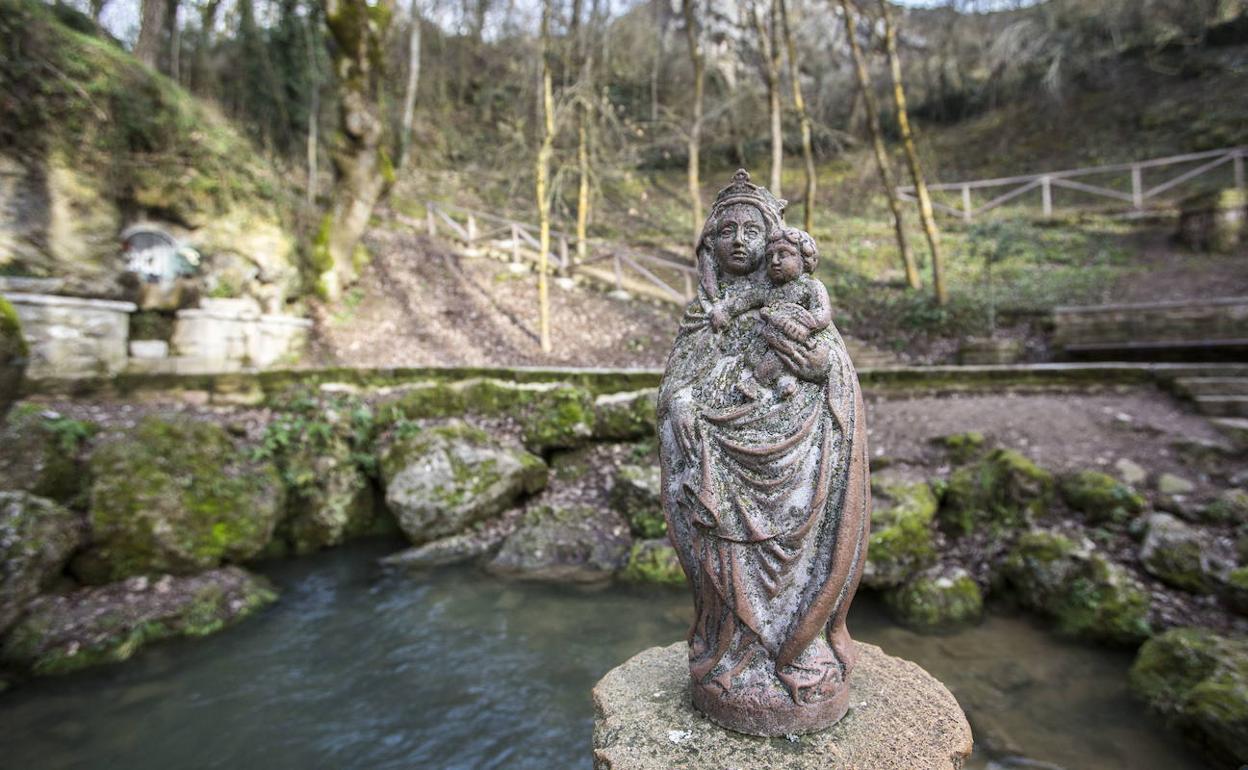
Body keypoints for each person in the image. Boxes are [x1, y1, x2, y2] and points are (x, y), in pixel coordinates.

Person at [657, 170, 872, 736]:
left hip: (800, 466)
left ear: (776, 241)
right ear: (708, 246)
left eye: (752, 229)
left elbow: (835, 367)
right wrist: (690, 408)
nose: (739, 240)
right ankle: (732, 657)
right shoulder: (704, 315)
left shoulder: (797, 297)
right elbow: (674, 392)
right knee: (723, 561)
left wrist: (827, 371)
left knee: (804, 560)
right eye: (725, 230)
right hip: (720, 470)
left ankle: (800, 649)